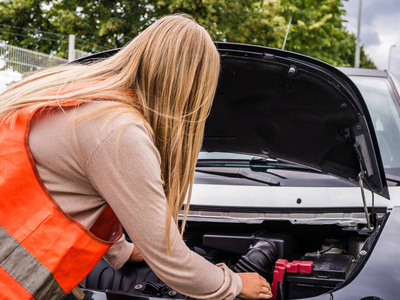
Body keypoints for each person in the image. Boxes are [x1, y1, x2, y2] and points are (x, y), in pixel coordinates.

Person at [0, 14, 272, 299]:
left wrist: (122, 250)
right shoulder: (118, 130)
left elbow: (69, 192)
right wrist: (237, 284)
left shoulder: (80, 92)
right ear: (191, 90)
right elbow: (172, 261)